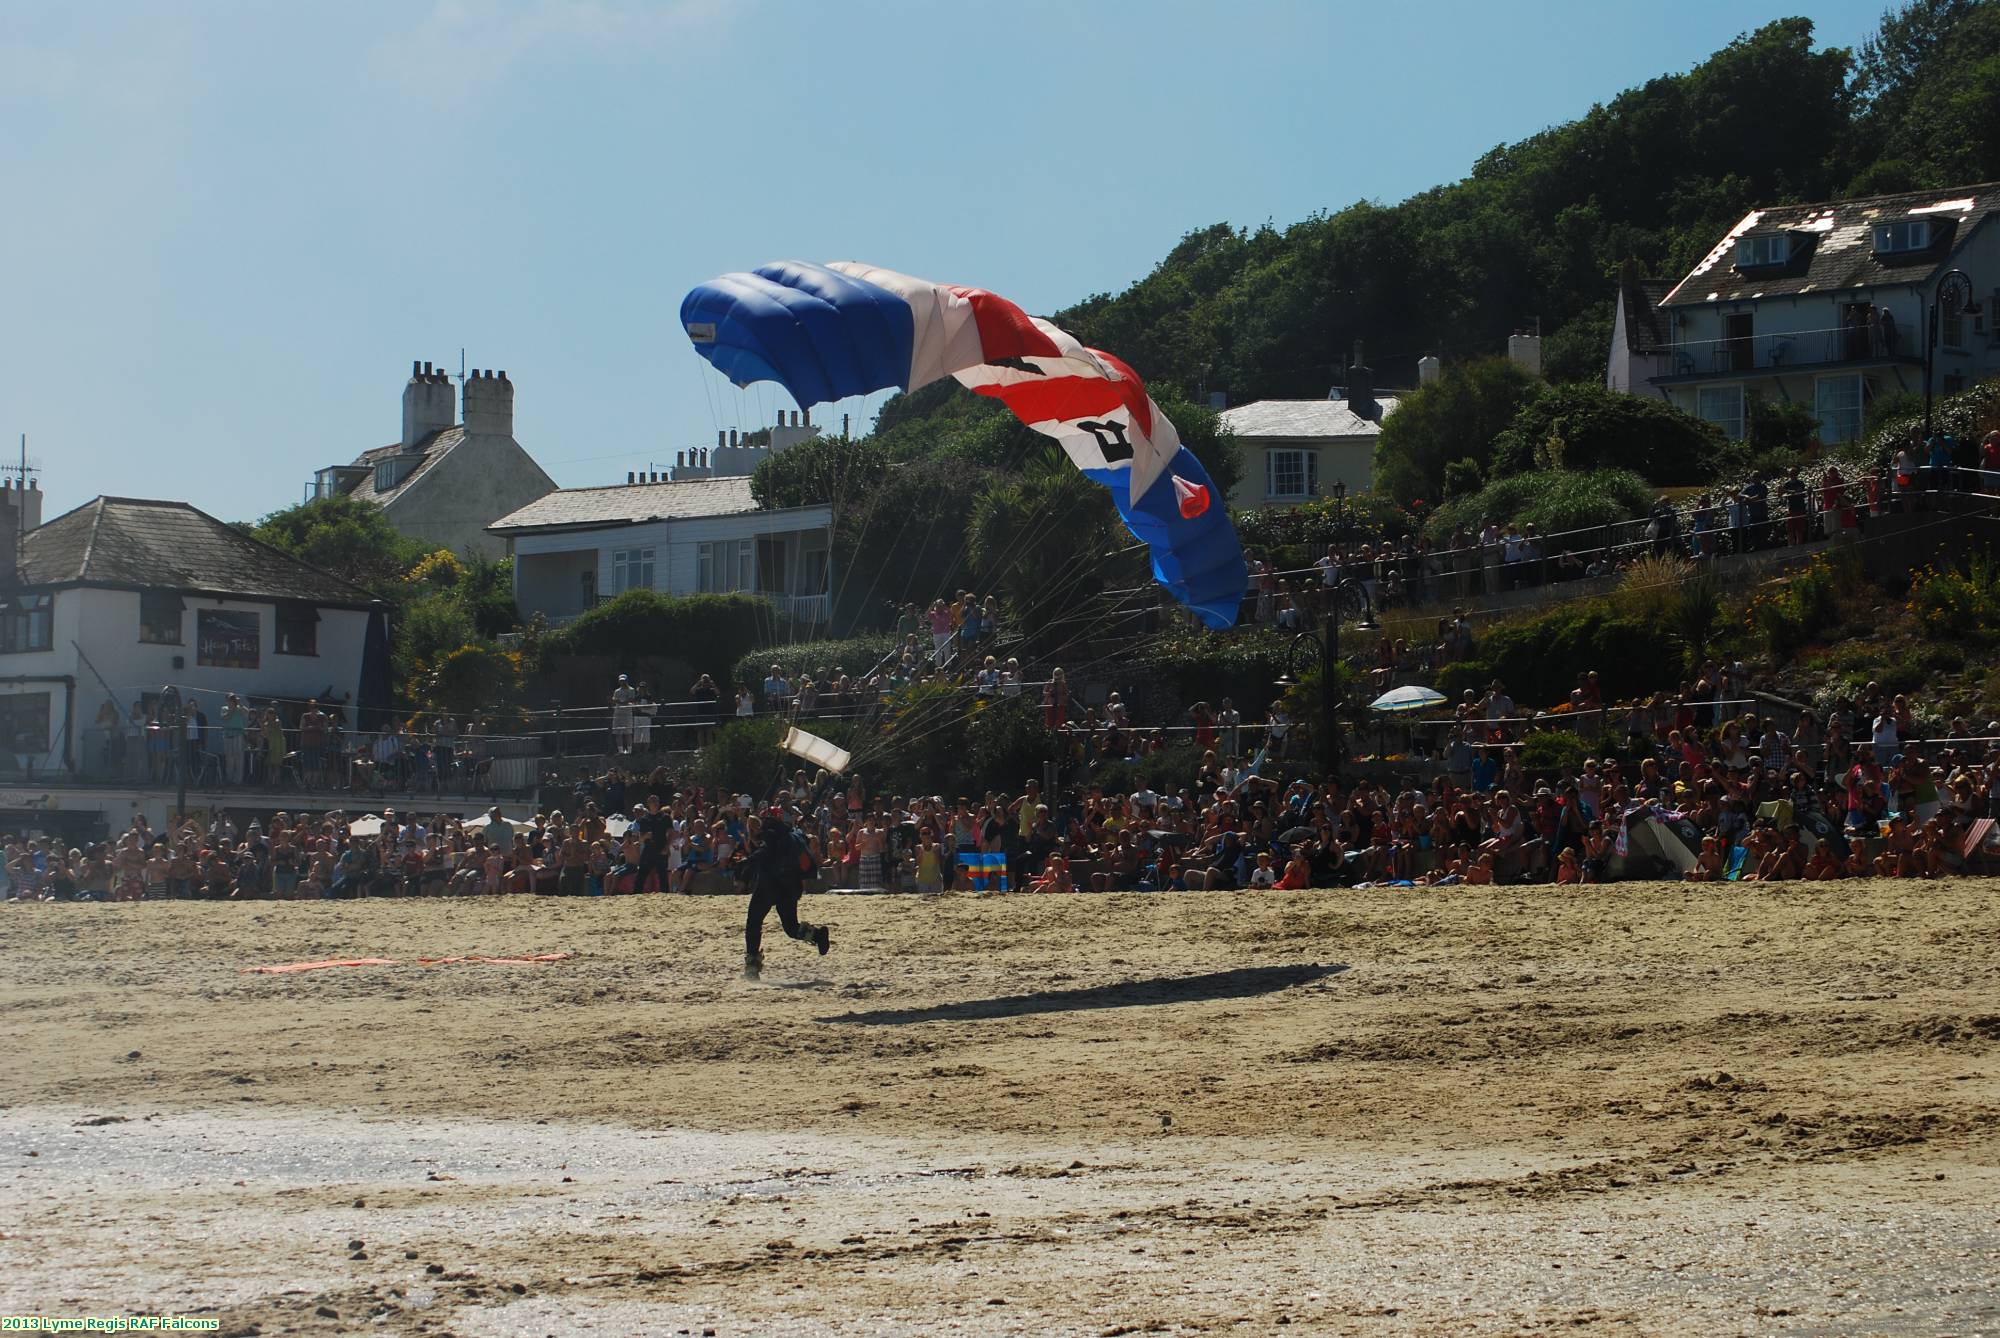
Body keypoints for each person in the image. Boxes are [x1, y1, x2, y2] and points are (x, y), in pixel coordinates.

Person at [739, 807, 831, 980]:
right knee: (791, 927)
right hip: (790, 887)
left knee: (754, 922)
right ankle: (817, 935)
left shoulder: (772, 835)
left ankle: (752, 967)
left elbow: (765, 852)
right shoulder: (793, 835)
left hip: (769, 886)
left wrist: (747, 863)